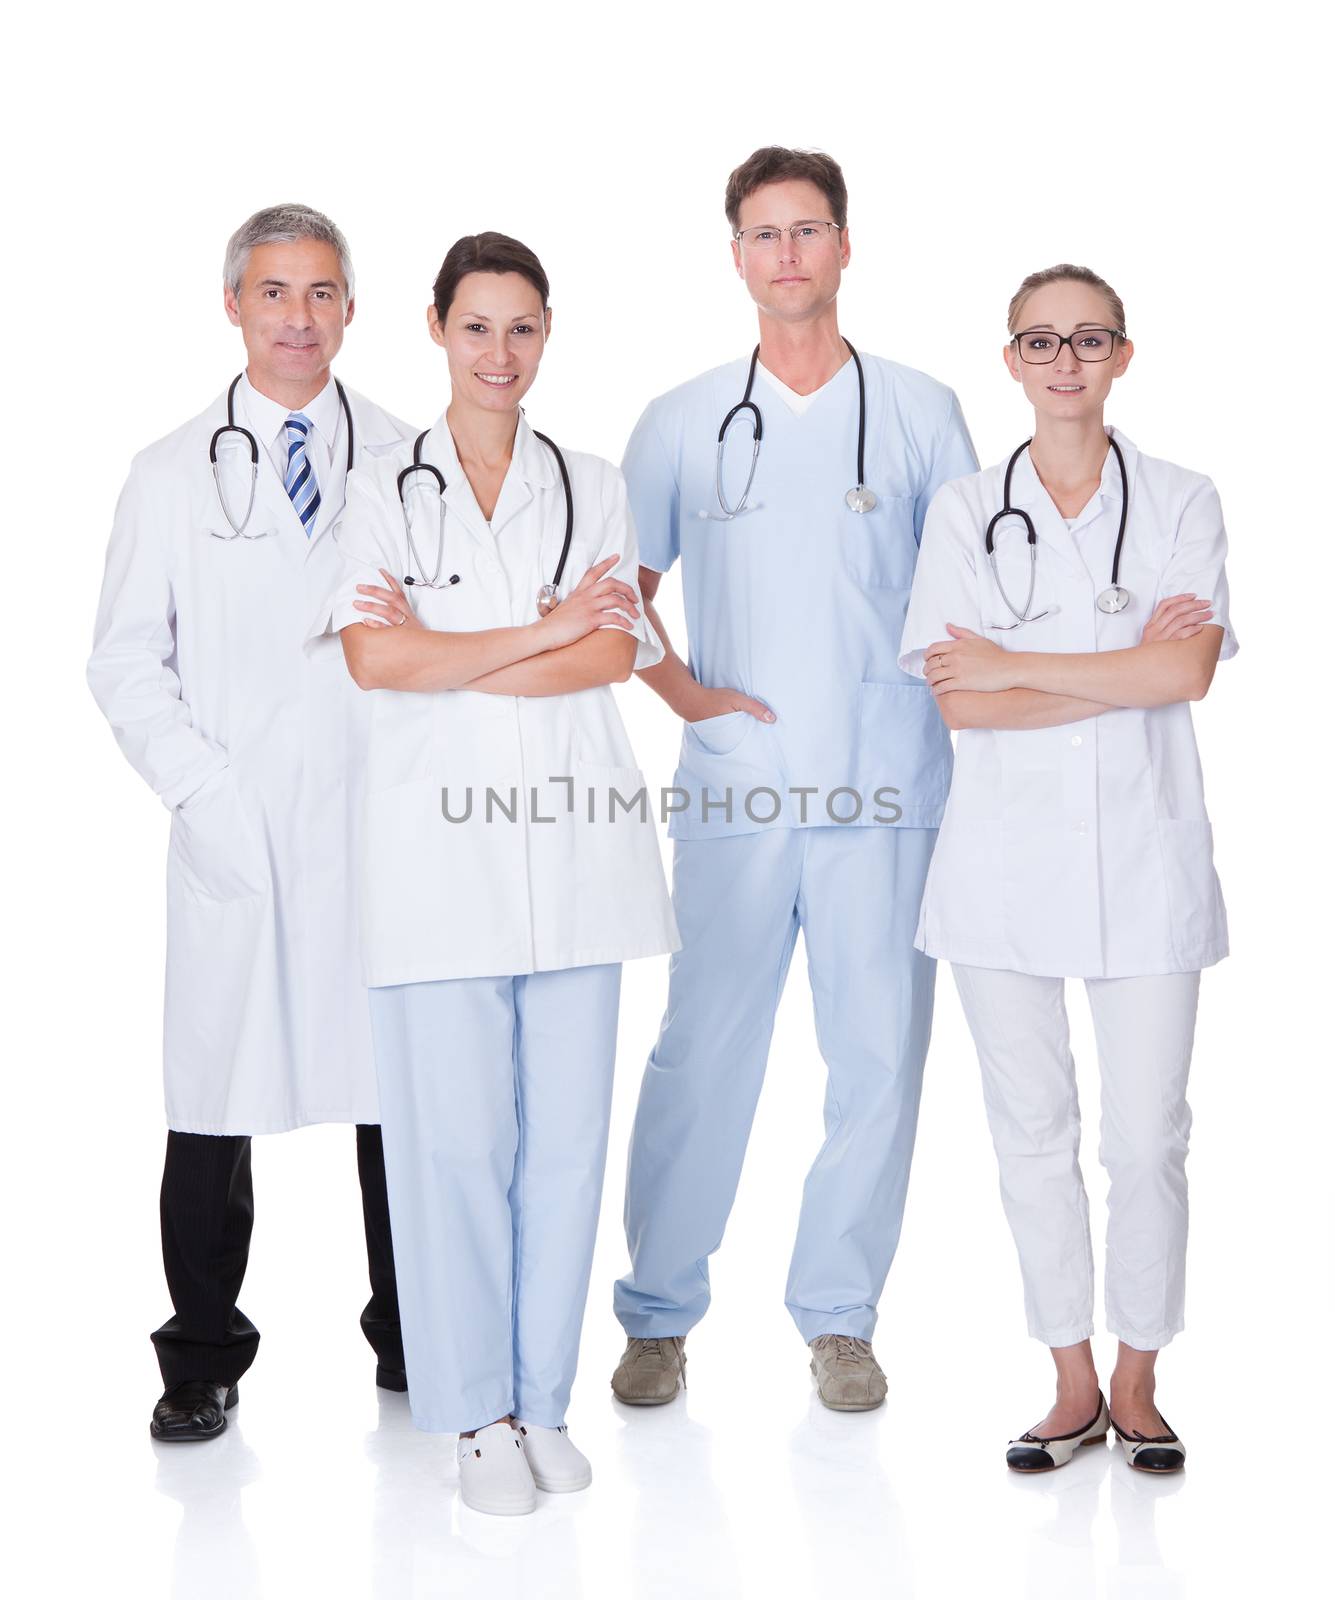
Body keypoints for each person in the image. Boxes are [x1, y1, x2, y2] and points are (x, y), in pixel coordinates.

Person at [310, 232, 678, 1516]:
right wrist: (543, 628)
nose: (500, 353)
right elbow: (372, 661)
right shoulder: (379, 485)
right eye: (478, 327)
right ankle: (473, 1414)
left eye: (523, 328)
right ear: (434, 329)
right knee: (453, 1146)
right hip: (432, 860)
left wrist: (464, 646)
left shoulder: (594, 482)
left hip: (577, 845)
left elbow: (611, 657)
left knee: (568, 1145)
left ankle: (544, 1400)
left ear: (548, 334)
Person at [610, 146, 978, 1411]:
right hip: (737, 781)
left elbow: (969, 595)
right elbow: (619, 599)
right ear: (735, 257)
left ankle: (840, 1315)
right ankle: (658, 1311)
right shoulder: (681, 419)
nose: (787, 254)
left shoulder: (923, 411)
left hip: (886, 781)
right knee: (702, 1049)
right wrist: (689, 697)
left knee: (877, 1055)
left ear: (843, 245)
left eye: (807, 229)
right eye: (763, 234)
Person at [899, 264, 1236, 1473]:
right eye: (1040, 342)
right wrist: (1109, 668)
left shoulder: (1185, 500)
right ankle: (1070, 1380)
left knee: (1146, 1136)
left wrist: (1019, 664)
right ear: (1011, 362)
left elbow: (1186, 676)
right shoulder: (960, 510)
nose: (1065, 361)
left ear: (1123, 356)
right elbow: (957, 702)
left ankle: (1142, 1376)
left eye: (1088, 339)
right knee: (1031, 1133)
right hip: (998, 877)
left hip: (1147, 871)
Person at [87, 203, 414, 1443]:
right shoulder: (171, 471)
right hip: (241, 828)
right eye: (274, 293)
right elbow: (123, 662)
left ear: (349, 310)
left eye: (321, 293)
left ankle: (412, 1337)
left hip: (383, 828)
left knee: (402, 1100)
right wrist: (206, 794)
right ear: (233, 306)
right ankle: (201, 1356)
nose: (298, 317)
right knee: (214, 1105)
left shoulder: (407, 455)